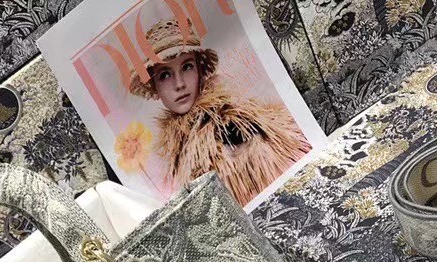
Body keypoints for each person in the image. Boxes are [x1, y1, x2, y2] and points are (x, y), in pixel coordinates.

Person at [128, 18, 311, 206]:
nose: (179, 84)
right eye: (165, 75)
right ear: (155, 86)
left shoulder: (227, 124)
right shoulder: (180, 141)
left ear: (199, 70)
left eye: (187, 67)